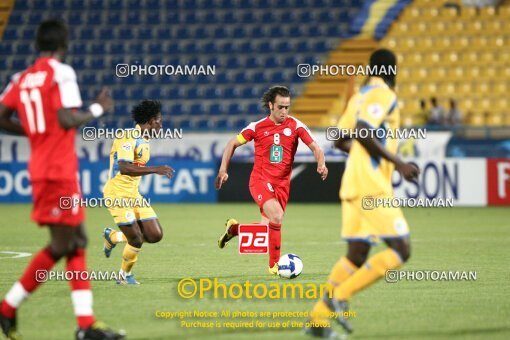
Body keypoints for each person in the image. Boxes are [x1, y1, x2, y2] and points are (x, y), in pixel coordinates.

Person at [0, 19, 125, 339]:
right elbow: (67, 118)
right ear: (64, 43)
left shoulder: (21, 78)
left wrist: (32, 132)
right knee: (62, 244)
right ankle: (8, 308)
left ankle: (84, 325)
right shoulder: (61, 72)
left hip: (44, 167)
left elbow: (1, 115)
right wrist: (98, 108)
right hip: (57, 171)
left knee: (76, 242)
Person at [306, 49, 420, 338]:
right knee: (401, 248)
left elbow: (340, 139)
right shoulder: (383, 94)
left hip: (352, 184)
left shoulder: (358, 96)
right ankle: (341, 295)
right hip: (371, 186)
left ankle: (319, 320)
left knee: (357, 254)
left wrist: (370, 154)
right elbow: (363, 131)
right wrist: (398, 163)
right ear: (391, 70)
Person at [215, 85, 328, 274]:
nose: (284, 111)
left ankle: (233, 229)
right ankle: (273, 266)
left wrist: (321, 164)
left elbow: (316, 148)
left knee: (265, 230)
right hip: (260, 180)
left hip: (282, 184)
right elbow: (232, 143)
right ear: (271, 105)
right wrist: (223, 169)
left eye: (287, 107)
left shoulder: (296, 125)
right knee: (277, 216)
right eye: (280, 107)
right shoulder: (257, 127)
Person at [101, 100, 174, 285]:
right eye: (159, 121)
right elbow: (125, 167)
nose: (161, 125)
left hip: (134, 195)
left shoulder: (145, 139)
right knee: (136, 239)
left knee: (155, 235)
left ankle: (113, 237)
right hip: (117, 194)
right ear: (150, 121)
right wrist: (155, 169)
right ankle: (123, 276)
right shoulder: (129, 136)